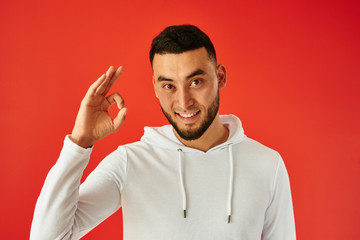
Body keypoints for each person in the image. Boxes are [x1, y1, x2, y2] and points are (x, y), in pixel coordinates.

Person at [30, 25, 296, 240]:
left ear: (221, 77)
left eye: (196, 82)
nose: (184, 101)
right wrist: (80, 142)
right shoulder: (130, 163)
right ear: (156, 88)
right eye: (169, 86)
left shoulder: (266, 165)